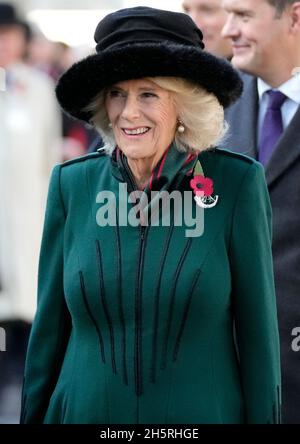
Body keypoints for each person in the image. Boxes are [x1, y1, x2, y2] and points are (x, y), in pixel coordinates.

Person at [20, 6, 281, 424]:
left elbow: (259, 344)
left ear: (184, 104)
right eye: (117, 93)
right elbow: (47, 338)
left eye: (149, 94)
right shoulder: (72, 185)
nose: (129, 112)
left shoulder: (237, 184)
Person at [221, 0, 300, 424]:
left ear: (294, 17)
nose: (229, 28)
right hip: (224, 375)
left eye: (244, 16)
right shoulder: (211, 105)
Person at [0, 2, 61, 413]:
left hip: (30, 215)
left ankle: (23, 401)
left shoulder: (37, 88)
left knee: (30, 310)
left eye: (10, 36)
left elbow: (49, 157)